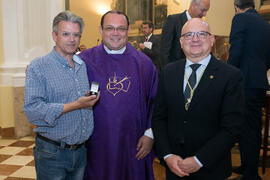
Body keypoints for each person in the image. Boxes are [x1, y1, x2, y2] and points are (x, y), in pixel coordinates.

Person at [152, 18, 245, 180]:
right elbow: (159, 118)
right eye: (188, 35)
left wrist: (199, 160)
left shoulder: (231, 76)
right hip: (174, 166)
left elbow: (232, 127)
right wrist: (167, 155)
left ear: (211, 39)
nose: (195, 39)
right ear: (181, 42)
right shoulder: (168, 72)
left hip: (211, 168)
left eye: (201, 34)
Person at [78, 10, 158, 180]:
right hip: (97, 144)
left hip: (133, 143)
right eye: (109, 28)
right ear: (100, 30)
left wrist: (150, 134)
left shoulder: (144, 64)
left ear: (128, 31)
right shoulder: (84, 60)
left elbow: (156, 101)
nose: (115, 33)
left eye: (121, 29)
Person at [24, 11, 100, 179]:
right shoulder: (39, 67)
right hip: (52, 153)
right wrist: (76, 105)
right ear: (54, 36)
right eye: (65, 34)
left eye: (76, 35)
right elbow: (32, 111)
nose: (72, 39)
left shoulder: (82, 66)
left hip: (80, 152)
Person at [227, 0, 270, 180]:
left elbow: (235, 51)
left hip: (244, 82)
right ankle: (247, 166)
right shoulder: (265, 24)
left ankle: (250, 174)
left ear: (237, 7)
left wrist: (226, 74)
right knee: (251, 127)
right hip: (259, 81)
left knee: (247, 129)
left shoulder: (240, 19)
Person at [161, 0, 210, 65]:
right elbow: (165, 50)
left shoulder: (202, 25)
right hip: (176, 69)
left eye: (206, 11)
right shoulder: (173, 20)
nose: (204, 14)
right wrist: (167, 71)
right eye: (203, 10)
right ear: (193, 6)